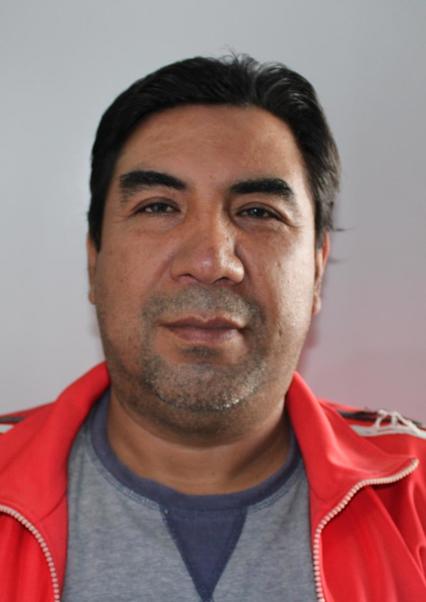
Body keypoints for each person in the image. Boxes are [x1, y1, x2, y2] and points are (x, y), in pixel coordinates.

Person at [0, 55, 425, 602]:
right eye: (159, 206)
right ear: (94, 261)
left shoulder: (413, 494)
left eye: (258, 212)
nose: (210, 261)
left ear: (318, 270)